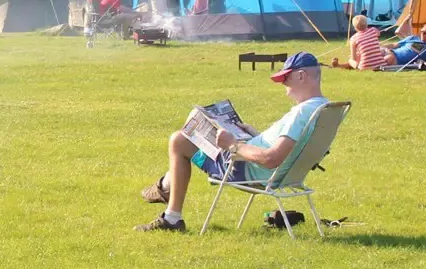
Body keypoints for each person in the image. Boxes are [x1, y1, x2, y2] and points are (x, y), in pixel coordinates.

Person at [136, 52, 330, 233]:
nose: (284, 84)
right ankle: (164, 186)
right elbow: (288, 147)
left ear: (302, 76)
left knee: (179, 139)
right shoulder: (324, 108)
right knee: (194, 129)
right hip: (281, 172)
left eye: (286, 78)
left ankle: (170, 210)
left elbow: (271, 159)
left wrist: (232, 145)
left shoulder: (301, 113)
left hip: (246, 169)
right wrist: (253, 134)